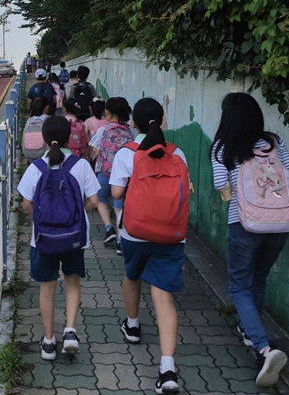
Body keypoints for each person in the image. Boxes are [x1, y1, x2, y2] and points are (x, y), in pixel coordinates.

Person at [210, 92, 289, 388]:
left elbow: (220, 183)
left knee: (238, 285)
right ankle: (251, 330)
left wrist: (236, 193)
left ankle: (263, 348)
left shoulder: (223, 147)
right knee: (258, 276)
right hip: (282, 224)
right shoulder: (274, 142)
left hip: (245, 223)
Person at [110, 97, 188, 395]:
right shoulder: (176, 152)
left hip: (135, 231)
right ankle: (167, 369)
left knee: (132, 276)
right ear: (163, 120)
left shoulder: (127, 153)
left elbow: (116, 191)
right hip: (171, 233)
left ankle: (132, 325)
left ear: (133, 123)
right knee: (164, 297)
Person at [17, 115, 99, 360]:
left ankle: (49, 341)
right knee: (72, 280)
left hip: (43, 238)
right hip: (74, 236)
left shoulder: (36, 168)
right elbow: (94, 201)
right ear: (69, 138)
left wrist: (46, 216)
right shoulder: (80, 165)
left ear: (43, 138)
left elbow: (25, 204)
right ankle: (71, 331)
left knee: (47, 287)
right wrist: (73, 214)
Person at [89, 97, 134, 254]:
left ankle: (109, 228)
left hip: (105, 172)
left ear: (107, 112)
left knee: (100, 200)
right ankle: (121, 240)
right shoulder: (130, 131)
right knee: (119, 207)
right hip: (123, 176)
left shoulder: (104, 130)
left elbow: (94, 148)